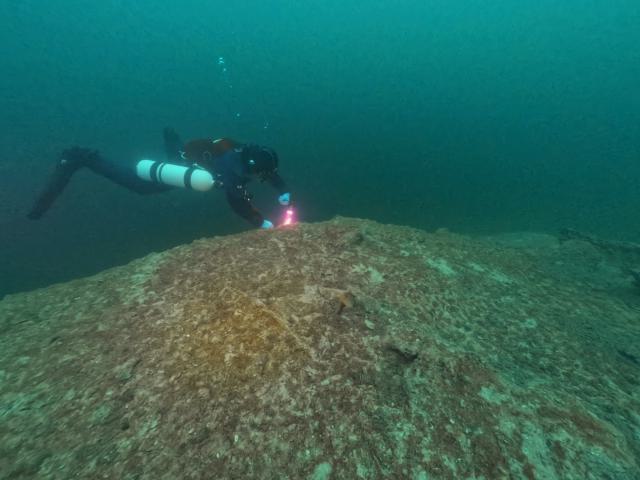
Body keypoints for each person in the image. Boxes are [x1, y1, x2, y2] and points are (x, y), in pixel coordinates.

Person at [27, 128, 292, 229]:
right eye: (262, 173)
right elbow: (237, 200)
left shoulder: (249, 154)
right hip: (190, 165)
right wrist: (260, 221)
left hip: (194, 156)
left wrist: (281, 189)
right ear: (251, 164)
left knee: (177, 158)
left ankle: (172, 141)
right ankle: (86, 158)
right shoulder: (231, 167)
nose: (264, 177)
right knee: (142, 186)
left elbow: (267, 170)